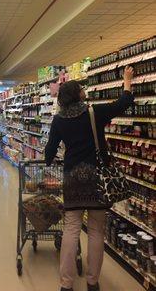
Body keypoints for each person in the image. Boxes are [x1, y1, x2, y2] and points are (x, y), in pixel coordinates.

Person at [45, 66, 134, 291]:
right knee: (96, 230)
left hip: (73, 177)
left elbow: (49, 152)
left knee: (71, 228)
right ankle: (92, 282)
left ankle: (66, 284)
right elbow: (123, 103)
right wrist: (126, 80)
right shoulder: (94, 112)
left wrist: (51, 159)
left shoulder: (58, 120)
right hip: (96, 177)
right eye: (82, 88)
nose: (84, 90)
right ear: (78, 94)